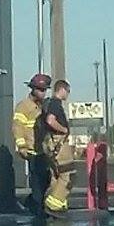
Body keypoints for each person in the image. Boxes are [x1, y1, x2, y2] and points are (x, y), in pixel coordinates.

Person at [13, 74, 52, 213]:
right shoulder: (23, 106)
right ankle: (37, 210)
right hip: (32, 151)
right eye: (41, 90)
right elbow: (18, 127)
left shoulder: (43, 106)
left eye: (45, 90)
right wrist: (22, 146)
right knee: (37, 182)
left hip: (43, 150)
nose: (43, 92)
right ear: (33, 89)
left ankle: (32, 204)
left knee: (46, 181)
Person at [40, 80, 74, 217]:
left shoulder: (48, 103)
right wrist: (64, 129)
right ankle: (54, 205)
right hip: (58, 142)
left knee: (56, 175)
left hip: (50, 144)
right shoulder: (55, 103)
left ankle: (55, 202)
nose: (68, 95)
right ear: (62, 90)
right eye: (68, 91)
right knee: (68, 174)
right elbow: (50, 120)